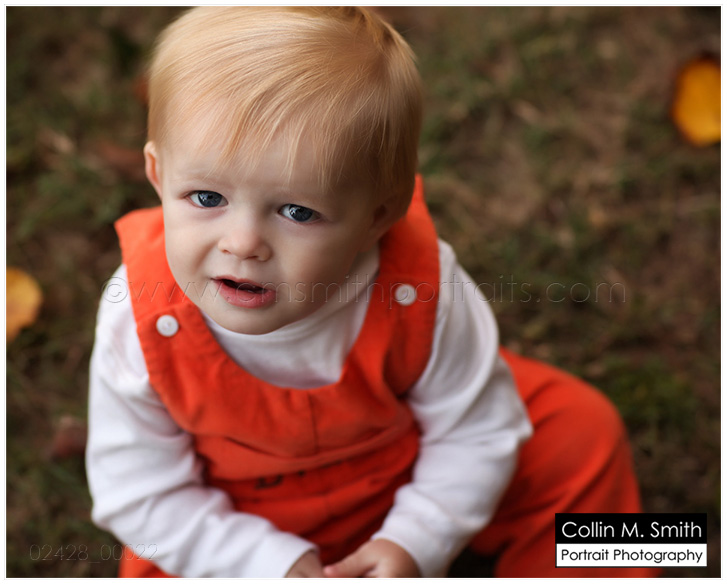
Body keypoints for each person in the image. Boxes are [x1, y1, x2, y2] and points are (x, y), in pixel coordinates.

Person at [86, 6, 657, 578]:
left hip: (412, 466)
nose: (243, 244)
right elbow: (138, 494)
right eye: (207, 198)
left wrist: (417, 539)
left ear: (378, 218)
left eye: (297, 211)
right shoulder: (139, 320)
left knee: (582, 430)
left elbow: (479, 428)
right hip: (234, 522)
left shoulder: (420, 288)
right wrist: (269, 565)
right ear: (158, 175)